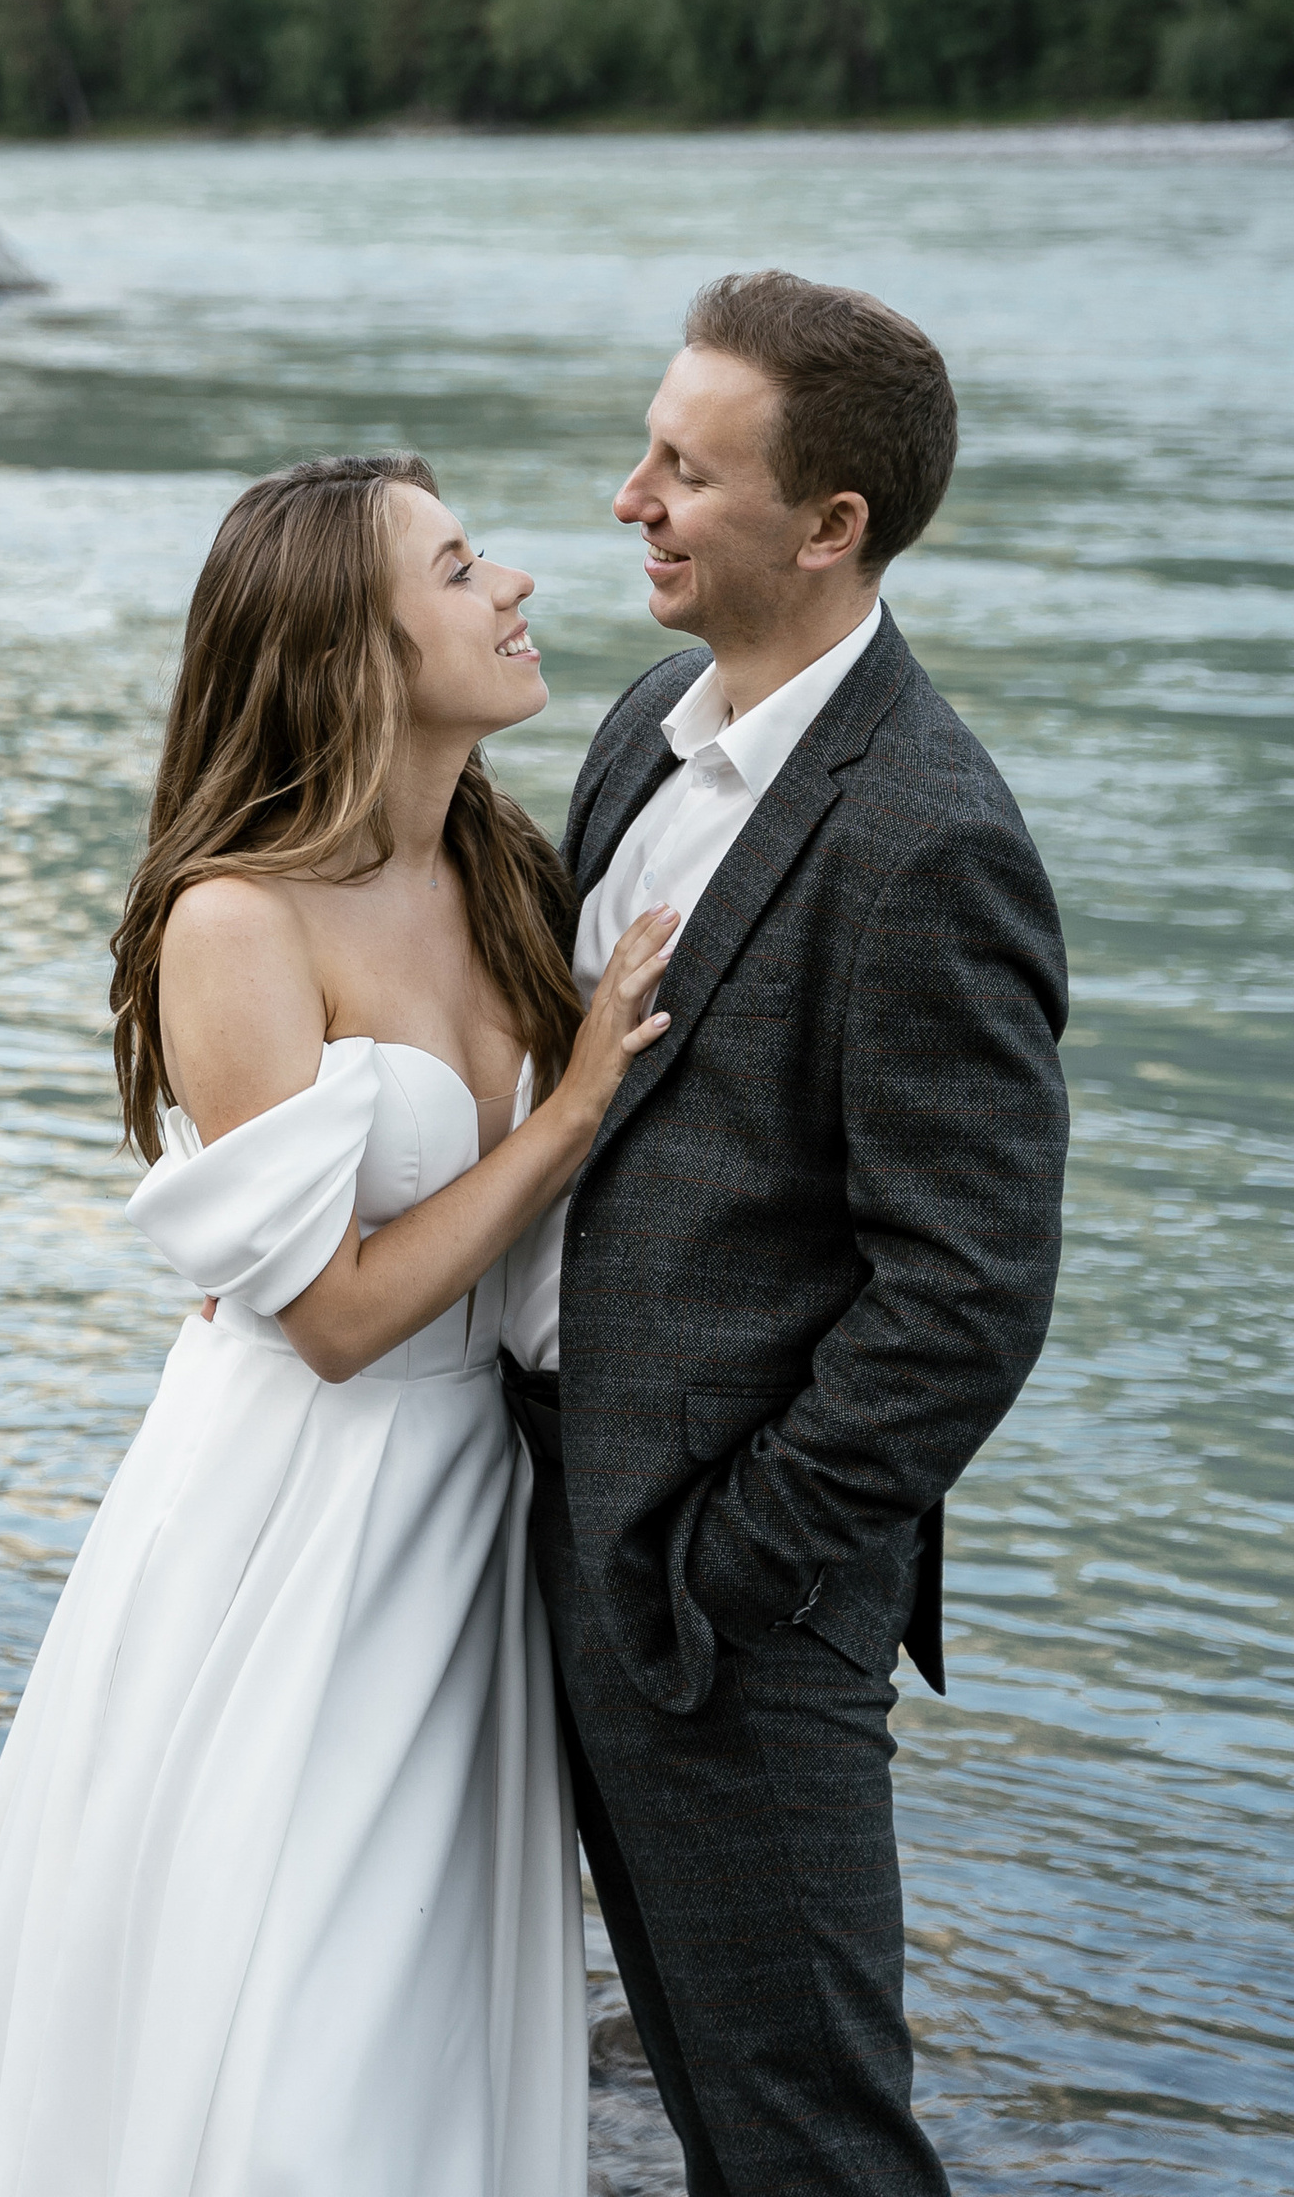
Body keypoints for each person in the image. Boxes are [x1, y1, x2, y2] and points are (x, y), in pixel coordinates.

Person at [0, 452, 679, 2197]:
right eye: (455, 569)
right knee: (277, 1993)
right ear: (349, 650)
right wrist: (573, 1108)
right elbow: (341, 1317)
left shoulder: (507, 864)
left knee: (409, 1999)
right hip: (292, 1509)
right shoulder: (236, 916)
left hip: (468, 1506)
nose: (512, 584)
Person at [499, 270, 1069, 2197]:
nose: (628, 497)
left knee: (806, 2134)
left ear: (833, 528)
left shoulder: (931, 839)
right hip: (545, 1521)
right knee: (676, 2072)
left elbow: (967, 1299)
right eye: (648, 446)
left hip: (731, 1597)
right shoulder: (653, 718)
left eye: (685, 468)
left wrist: (733, 1568)